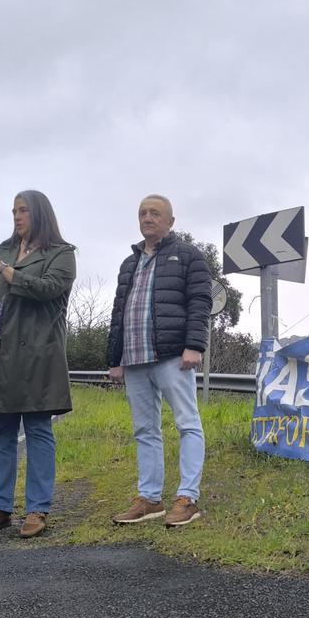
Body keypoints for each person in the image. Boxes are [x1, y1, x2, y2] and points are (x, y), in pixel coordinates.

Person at [0, 191, 76, 538]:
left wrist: (5, 270)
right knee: (2, 433)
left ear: (40, 213)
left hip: (38, 356)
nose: (16, 216)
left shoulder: (62, 254)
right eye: (13, 210)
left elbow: (47, 289)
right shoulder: (4, 248)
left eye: (23, 210)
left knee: (39, 431)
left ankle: (38, 510)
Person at [107, 194, 212, 528]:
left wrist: (194, 345)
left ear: (170, 221)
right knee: (144, 430)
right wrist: (114, 358)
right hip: (135, 359)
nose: (147, 217)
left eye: (155, 213)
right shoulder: (129, 262)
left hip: (172, 357)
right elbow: (118, 313)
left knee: (187, 423)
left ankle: (187, 498)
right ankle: (150, 499)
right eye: (142, 213)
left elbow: (200, 301)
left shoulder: (189, 257)